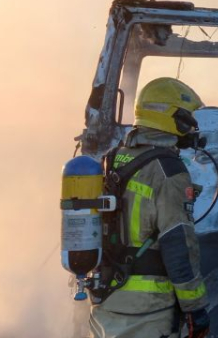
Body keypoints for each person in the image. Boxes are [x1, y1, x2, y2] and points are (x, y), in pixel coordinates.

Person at [90, 77, 211, 338]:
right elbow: (178, 243)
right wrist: (195, 308)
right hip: (148, 308)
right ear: (173, 118)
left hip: (108, 297)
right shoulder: (169, 172)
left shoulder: (112, 159)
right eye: (188, 117)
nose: (193, 126)